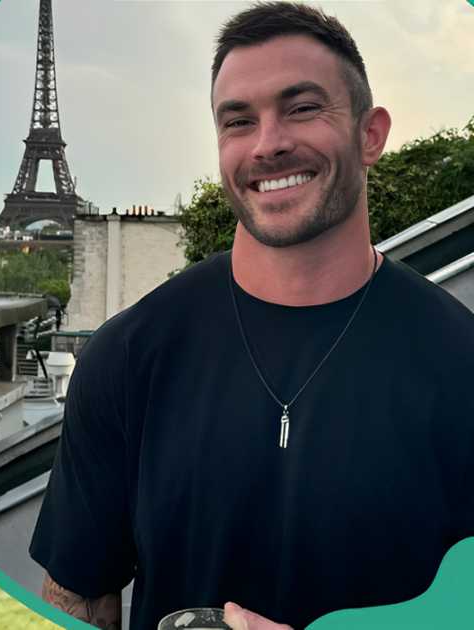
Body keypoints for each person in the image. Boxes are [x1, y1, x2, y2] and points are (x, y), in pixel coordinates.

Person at [28, 3, 474, 630]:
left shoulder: (461, 365)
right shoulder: (130, 354)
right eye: (238, 120)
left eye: (302, 108)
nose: (268, 144)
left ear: (370, 135)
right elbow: (77, 595)